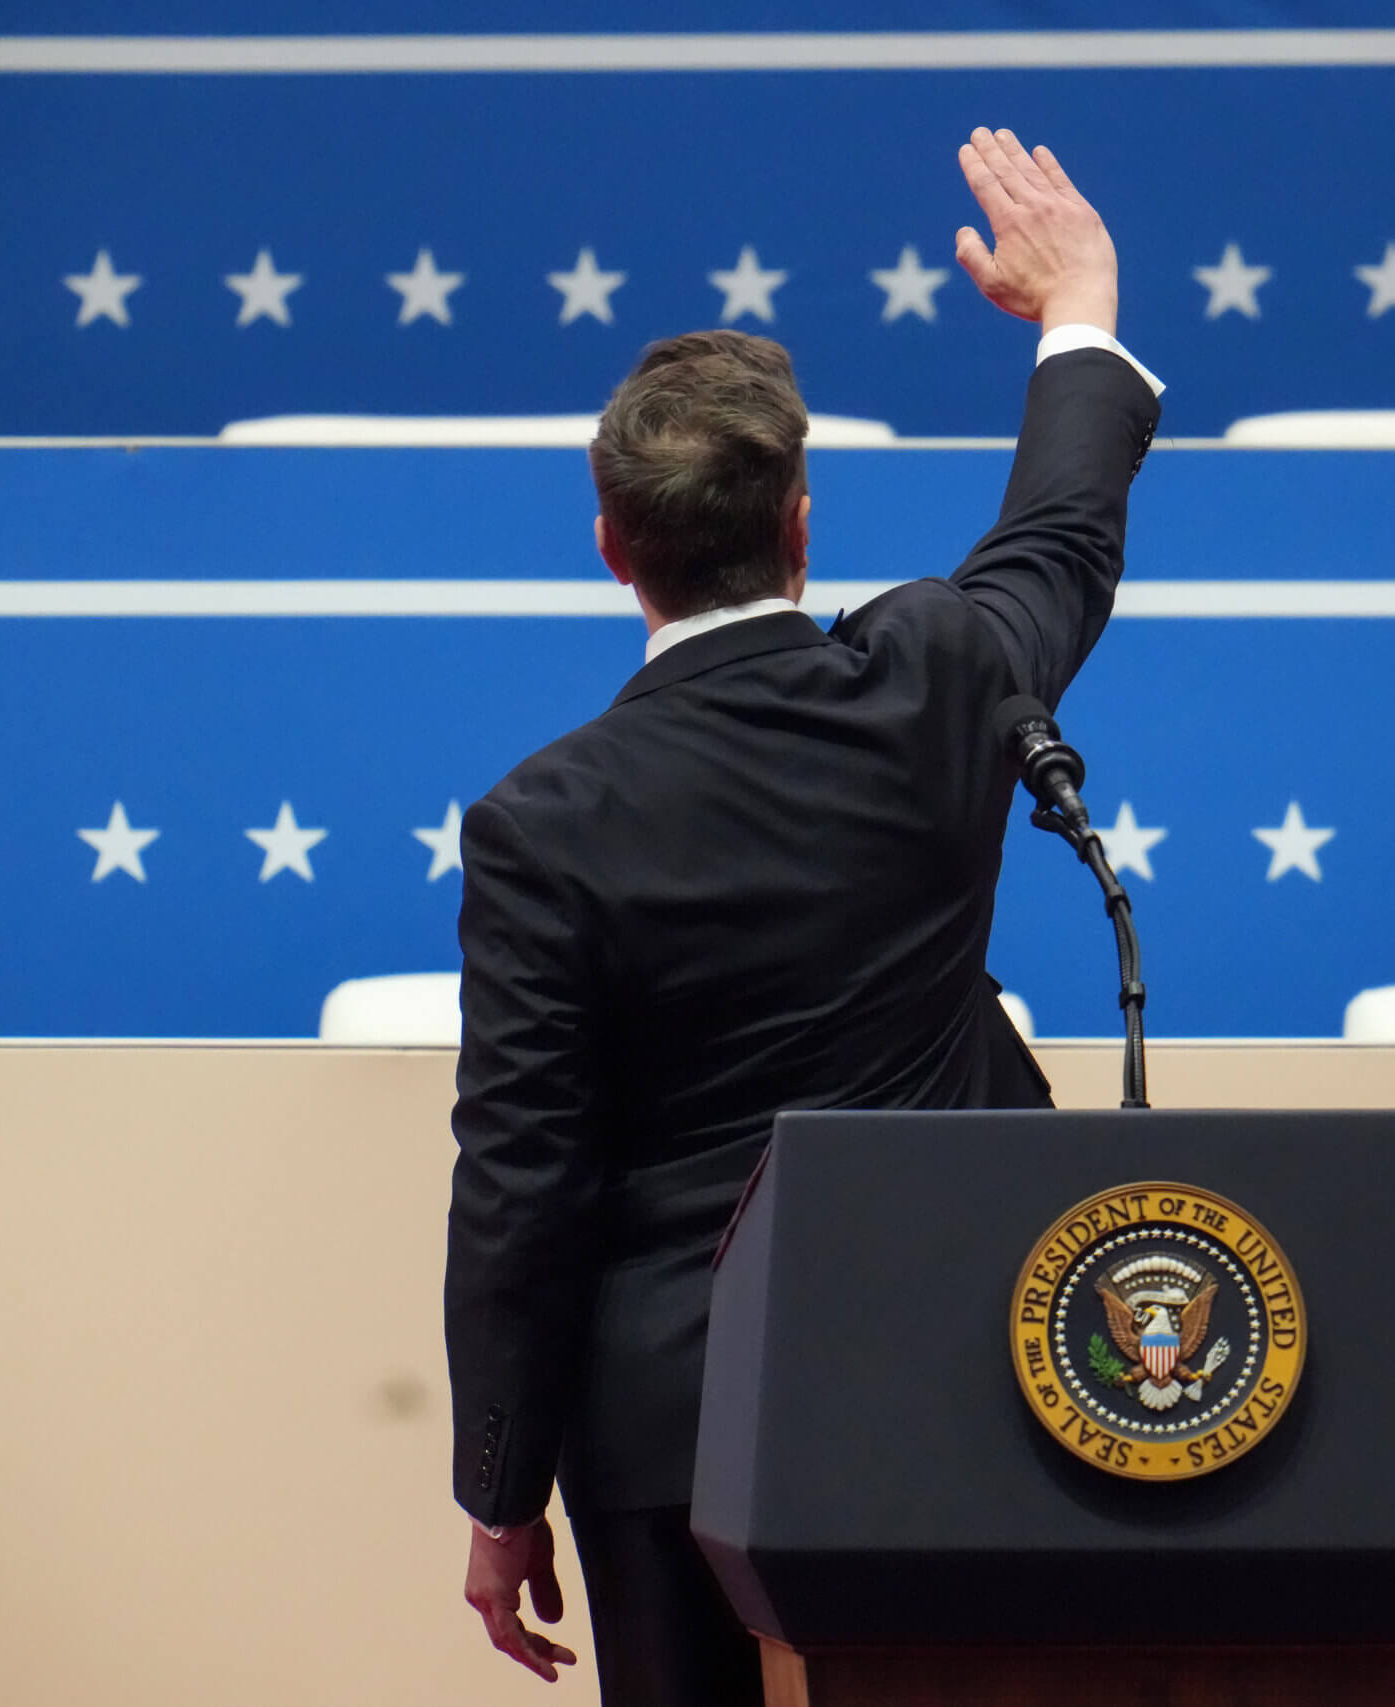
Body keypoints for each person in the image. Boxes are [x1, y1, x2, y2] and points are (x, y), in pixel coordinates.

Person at [445, 127, 1163, 1706]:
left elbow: (521, 1193)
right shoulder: (932, 677)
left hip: (673, 1440)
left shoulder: (538, 824)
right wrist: (1079, 302)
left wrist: (498, 1496)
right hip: (969, 1380)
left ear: (613, 551)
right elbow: (1061, 537)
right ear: (802, 526)